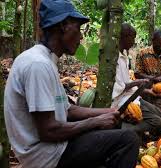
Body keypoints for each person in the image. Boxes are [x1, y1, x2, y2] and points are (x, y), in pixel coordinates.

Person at [4, 1, 139, 168]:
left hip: (55, 147)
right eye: (79, 29)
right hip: (47, 156)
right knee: (128, 140)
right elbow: (49, 131)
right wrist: (96, 122)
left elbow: (67, 110)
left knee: (112, 130)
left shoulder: (45, 60)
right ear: (63, 26)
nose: (81, 37)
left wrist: (109, 111)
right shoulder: (37, 64)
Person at [112, 23, 161, 135]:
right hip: (122, 101)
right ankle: (122, 129)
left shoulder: (124, 56)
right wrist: (138, 82)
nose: (134, 41)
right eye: (133, 38)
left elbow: (129, 86)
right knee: (156, 121)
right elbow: (120, 87)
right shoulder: (114, 58)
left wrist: (150, 91)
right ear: (125, 37)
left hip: (133, 97)